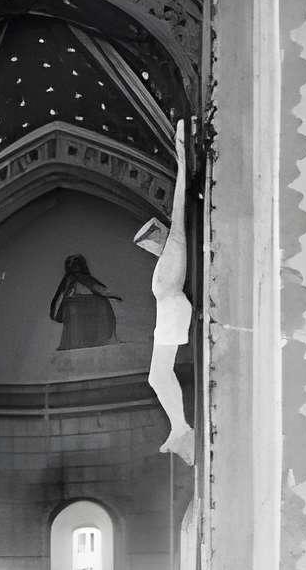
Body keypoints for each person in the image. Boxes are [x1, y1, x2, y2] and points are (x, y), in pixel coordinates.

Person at [134, 117, 195, 465]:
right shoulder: (168, 259)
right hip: (170, 309)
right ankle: (179, 429)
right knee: (157, 375)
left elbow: (179, 204)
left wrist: (181, 156)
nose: (147, 247)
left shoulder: (175, 242)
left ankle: (181, 429)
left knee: (159, 375)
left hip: (172, 307)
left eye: (148, 241)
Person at [48, 253, 120, 349]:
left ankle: (92, 341)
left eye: (76, 264)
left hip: (84, 306)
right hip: (76, 306)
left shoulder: (81, 279)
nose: (75, 267)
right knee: (77, 325)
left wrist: (113, 295)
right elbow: (61, 296)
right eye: (72, 265)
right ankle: (80, 342)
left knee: (100, 307)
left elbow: (98, 288)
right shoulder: (70, 280)